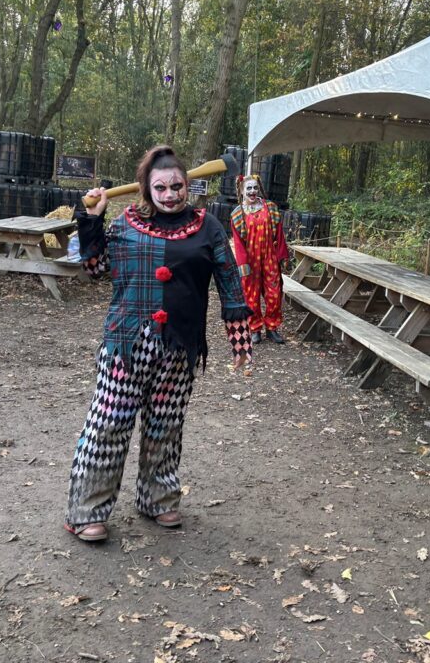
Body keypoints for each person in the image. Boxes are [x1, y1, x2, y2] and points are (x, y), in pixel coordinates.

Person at [64, 145, 253, 543]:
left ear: (189, 185)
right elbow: (95, 268)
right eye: (161, 188)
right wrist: (90, 220)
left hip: (179, 348)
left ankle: (159, 498)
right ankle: (86, 511)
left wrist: (239, 338)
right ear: (147, 190)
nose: (170, 195)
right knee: (108, 424)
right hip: (126, 345)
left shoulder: (208, 227)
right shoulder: (125, 225)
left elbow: (230, 281)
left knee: (166, 425)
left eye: (177, 186)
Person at [230, 174, 289, 344]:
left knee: (274, 293)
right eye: (249, 188)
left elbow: (279, 234)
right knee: (251, 295)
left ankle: (272, 328)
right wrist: (242, 264)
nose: (252, 191)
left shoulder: (270, 207)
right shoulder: (237, 214)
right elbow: (238, 243)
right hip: (250, 260)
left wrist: (281, 256)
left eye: (255, 188)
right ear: (242, 191)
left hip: (270, 256)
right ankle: (255, 328)